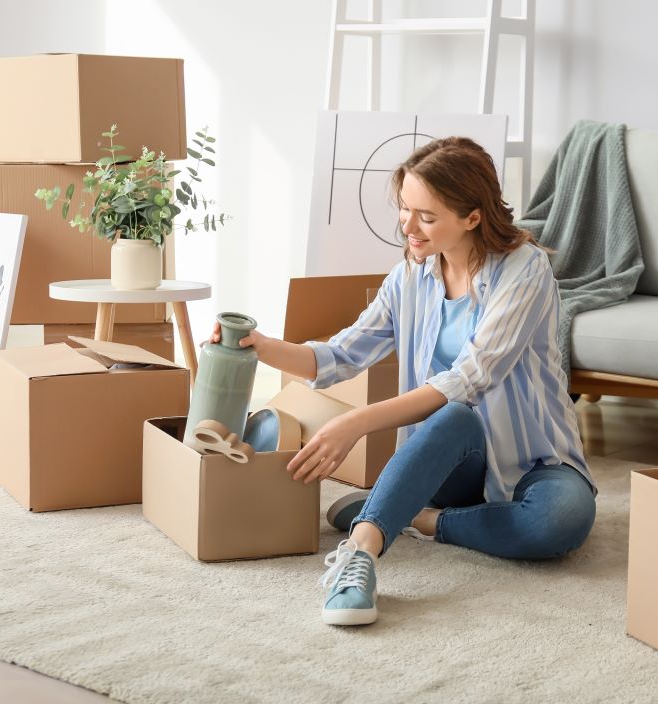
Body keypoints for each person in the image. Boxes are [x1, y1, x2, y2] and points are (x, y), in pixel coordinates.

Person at [208, 136, 596, 626]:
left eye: (426, 217)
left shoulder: (525, 270)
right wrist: (262, 346)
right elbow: (342, 354)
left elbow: (472, 376)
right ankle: (362, 552)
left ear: (472, 217)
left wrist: (356, 424)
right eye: (404, 209)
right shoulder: (409, 277)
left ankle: (416, 516)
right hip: (453, 460)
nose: (407, 227)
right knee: (453, 417)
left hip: (534, 456)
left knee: (559, 522)